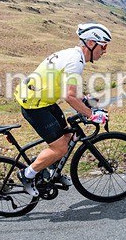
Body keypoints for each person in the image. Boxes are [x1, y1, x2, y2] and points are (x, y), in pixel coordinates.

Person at [14, 22, 111, 197]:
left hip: (44, 100)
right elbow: (69, 96)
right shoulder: (76, 61)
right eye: (103, 46)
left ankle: (48, 170)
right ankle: (26, 175)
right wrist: (92, 115)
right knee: (59, 148)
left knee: (68, 137)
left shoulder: (72, 55)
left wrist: (85, 101)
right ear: (91, 43)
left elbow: (66, 87)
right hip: (35, 105)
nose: (105, 51)